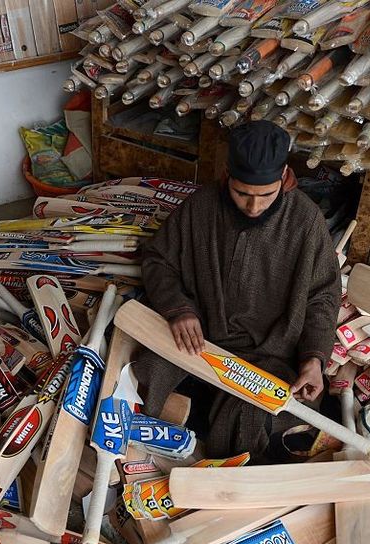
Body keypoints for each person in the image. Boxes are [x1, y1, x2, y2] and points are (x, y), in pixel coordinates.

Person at [133, 120, 342, 458]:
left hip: (269, 353)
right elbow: (158, 260)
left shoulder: (305, 220)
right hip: (203, 339)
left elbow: (323, 296)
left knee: (258, 423)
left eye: (266, 195)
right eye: (242, 193)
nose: (253, 207)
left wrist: (313, 358)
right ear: (227, 174)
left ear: (284, 176)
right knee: (145, 373)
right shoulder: (201, 206)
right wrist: (179, 310)